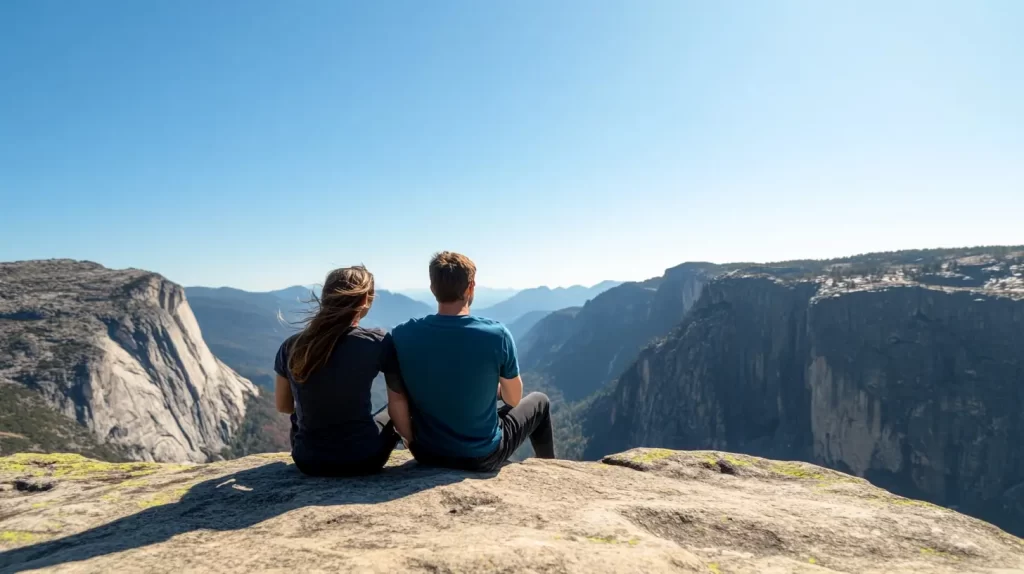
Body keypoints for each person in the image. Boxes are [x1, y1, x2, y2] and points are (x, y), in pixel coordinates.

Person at [387, 251, 555, 472]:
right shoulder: (497, 335)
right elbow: (513, 399)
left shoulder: (402, 334)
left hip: (427, 453)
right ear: (471, 286)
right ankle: (551, 469)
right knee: (539, 401)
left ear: (432, 287)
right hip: (481, 456)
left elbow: (397, 399)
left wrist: (413, 443)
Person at [274, 266, 403, 476]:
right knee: (396, 406)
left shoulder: (292, 346)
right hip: (365, 459)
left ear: (325, 298)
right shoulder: (377, 342)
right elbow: (398, 401)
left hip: (308, 462)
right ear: (365, 301)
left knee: (300, 414)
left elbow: (284, 406)